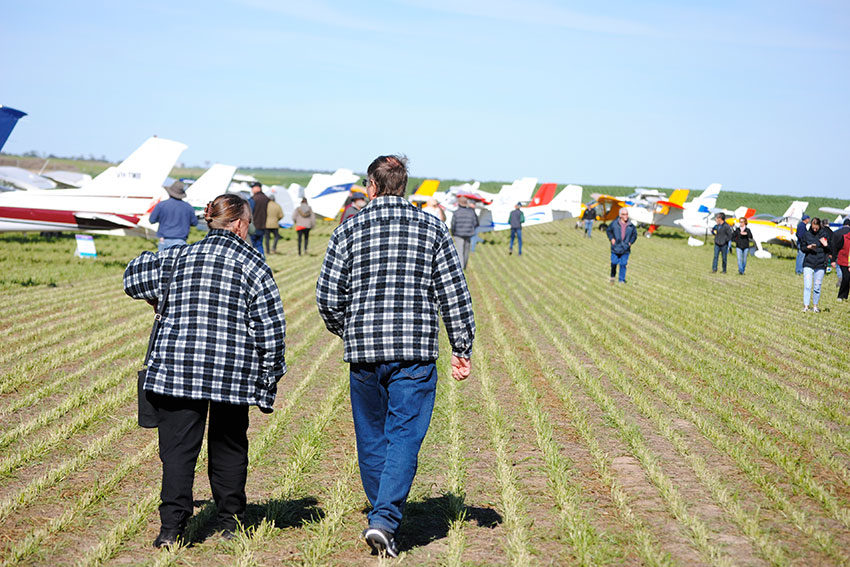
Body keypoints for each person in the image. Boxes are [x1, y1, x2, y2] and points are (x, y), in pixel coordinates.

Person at [316, 155, 474, 558]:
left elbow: (328, 296)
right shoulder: (432, 228)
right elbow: (454, 293)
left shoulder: (348, 229)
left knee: (371, 436)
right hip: (415, 352)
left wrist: (348, 329)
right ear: (403, 185)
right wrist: (461, 346)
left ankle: (381, 515)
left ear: (371, 185)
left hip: (365, 352)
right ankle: (384, 519)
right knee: (404, 434)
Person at [123, 193, 286, 548]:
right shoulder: (254, 266)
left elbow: (131, 276)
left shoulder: (177, 256)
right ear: (241, 224)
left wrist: (157, 297)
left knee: (178, 453)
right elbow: (271, 329)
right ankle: (230, 522)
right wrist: (270, 375)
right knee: (229, 448)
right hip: (231, 374)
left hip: (177, 370)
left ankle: (171, 530)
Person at [149, 181, 198, 251]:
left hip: (164, 240)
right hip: (181, 240)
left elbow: (152, 220)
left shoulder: (161, 205)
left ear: (169, 193)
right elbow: (194, 223)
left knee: (163, 261)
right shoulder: (188, 207)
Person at [800, 217, 829, 312]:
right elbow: (802, 248)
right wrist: (808, 247)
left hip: (820, 264)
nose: (815, 229)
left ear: (819, 226)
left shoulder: (824, 234)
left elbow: (830, 249)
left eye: (816, 228)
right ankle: (806, 306)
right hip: (808, 263)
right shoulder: (807, 235)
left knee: (817, 286)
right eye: (813, 228)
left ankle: (815, 306)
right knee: (807, 286)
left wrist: (826, 245)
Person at [606, 208, 637, 283]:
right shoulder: (614, 224)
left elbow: (634, 235)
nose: (626, 216)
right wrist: (611, 238)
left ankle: (621, 280)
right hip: (615, 247)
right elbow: (608, 231)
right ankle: (612, 276)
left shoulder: (631, 226)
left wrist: (630, 242)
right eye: (623, 214)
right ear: (620, 215)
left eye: (626, 214)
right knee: (614, 263)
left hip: (625, 248)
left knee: (623, 264)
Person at [450, 196, 478, 269]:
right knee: (466, 251)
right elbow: (476, 223)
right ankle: (464, 266)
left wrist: (452, 233)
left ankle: (461, 267)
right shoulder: (471, 212)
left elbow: (453, 224)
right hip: (469, 234)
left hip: (458, 234)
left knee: (460, 251)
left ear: (459, 203)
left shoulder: (456, 213)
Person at [831, 218, 850, 298]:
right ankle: (841, 296)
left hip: (841, 258)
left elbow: (834, 246)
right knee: (846, 278)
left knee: (847, 278)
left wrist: (832, 258)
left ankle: (844, 295)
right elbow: (838, 247)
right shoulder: (844, 238)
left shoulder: (836, 232)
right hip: (843, 260)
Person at [249, 182, 269, 257]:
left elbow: (249, 212)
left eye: (253, 188)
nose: (252, 189)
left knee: (252, 245)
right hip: (264, 225)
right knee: (260, 244)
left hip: (254, 226)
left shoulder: (253, 199)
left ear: (257, 188)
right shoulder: (267, 198)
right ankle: (262, 259)